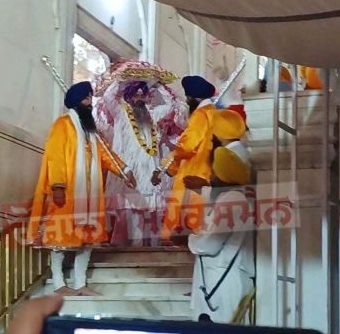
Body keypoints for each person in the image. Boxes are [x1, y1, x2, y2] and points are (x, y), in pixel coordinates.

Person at [26, 81, 136, 296]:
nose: (90, 102)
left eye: (91, 98)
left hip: (90, 196)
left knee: (87, 239)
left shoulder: (92, 133)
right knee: (60, 238)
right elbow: (55, 156)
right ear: (76, 101)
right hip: (67, 193)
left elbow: (106, 156)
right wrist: (57, 185)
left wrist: (124, 170)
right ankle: (59, 284)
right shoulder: (63, 125)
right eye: (86, 98)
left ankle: (80, 284)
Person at [93, 60, 187, 246]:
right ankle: (133, 247)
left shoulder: (153, 116)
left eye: (142, 95)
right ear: (128, 97)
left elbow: (170, 105)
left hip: (150, 170)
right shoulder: (120, 113)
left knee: (151, 211)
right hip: (128, 170)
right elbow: (109, 97)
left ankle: (152, 247)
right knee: (130, 210)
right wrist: (124, 79)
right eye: (134, 95)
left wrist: (157, 83)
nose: (139, 99)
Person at [189, 110, 254, 323]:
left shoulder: (232, 200)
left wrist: (192, 238)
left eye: (215, 172)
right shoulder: (233, 196)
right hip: (221, 276)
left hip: (222, 280)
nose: (212, 176)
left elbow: (210, 245)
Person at [153, 75, 218, 241]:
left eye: (188, 97)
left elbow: (187, 147)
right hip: (207, 172)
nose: (187, 101)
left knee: (184, 220)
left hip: (193, 173)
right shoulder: (214, 113)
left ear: (195, 98)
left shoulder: (200, 115)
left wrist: (163, 168)